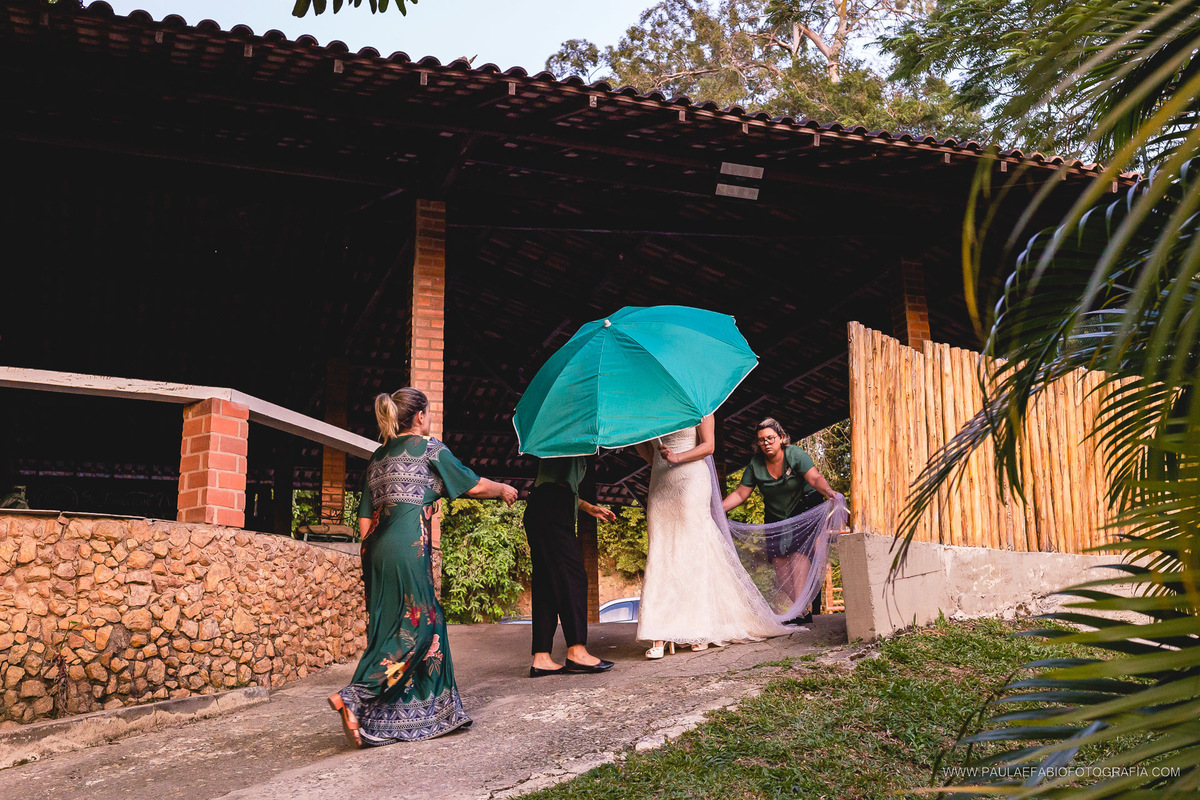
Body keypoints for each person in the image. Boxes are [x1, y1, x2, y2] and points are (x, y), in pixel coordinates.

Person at [328, 387, 518, 747]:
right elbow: (472, 485)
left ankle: (431, 712)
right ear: (419, 417)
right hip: (406, 548)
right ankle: (353, 695)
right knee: (422, 623)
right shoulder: (429, 448)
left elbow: (365, 519)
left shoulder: (378, 457)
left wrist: (375, 558)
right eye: (428, 413)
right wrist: (503, 489)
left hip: (377, 551)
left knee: (395, 628)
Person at [634, 415, 794, 658]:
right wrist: (636, 440)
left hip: (690, 479)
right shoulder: (655, 408)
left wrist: (677, 457)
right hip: (661, 482)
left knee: (692, 551)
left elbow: (708, 446)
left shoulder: (701, 403)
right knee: (661, 552)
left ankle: (700, 628)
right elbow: (650, 455)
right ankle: (660, 632)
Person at [722, 417, 838, 624]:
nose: (766, 443)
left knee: (798, 555)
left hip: (802, 509)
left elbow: (814, 478)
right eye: (761, 440)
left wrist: (828, 491)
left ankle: (798, 611)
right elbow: (741, 494)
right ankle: (802, 609)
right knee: (778, 561)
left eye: (770, 438)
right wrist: (717, 510)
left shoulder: (794, 454)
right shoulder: (755, 464)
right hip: (775, 516)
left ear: (781, 437)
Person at [523, 456, 617, 677]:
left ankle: (542, 657)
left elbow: (558, 486)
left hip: (544, 506)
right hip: (552, 507)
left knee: (546, 585)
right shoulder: (569, 432)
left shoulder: (563, 435)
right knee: (573, 578)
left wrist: (587, 507)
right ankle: (577, 651)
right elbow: (557, 488)